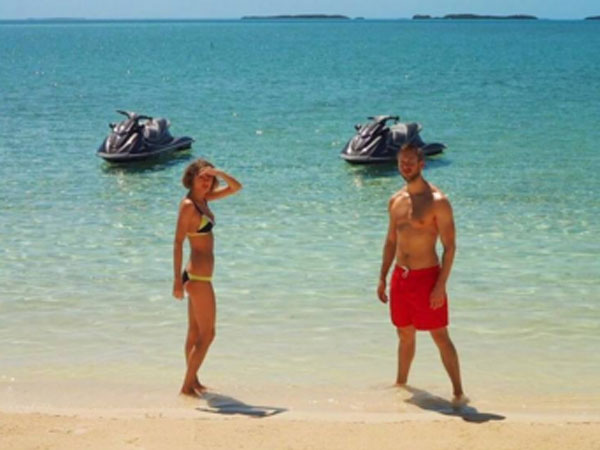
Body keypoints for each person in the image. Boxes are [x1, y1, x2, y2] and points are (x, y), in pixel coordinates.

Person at [377, 142, 468, 406]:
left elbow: (450, 247)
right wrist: (382, 276)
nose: (405, 166)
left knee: (440, 335)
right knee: (404, 334)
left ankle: (458, 393)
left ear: (421, 164)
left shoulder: (438, 202)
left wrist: (440, 285)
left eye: (410, 162)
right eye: (401, 162)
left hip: (427, 277)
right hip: (400, 277)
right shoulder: (395, 200)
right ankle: (401, 386)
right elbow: (391, 241)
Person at [172, 159, 242, 397]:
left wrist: (218, 172)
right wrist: (176, 281)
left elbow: (236, 187)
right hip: (197, 278)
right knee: (208, 334)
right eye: (201, 177)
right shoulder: (189, 205)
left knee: (194, 332)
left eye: (209, 178)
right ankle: (186, 386)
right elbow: (178, 242)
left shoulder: (204, 200)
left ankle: (193, 382)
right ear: (190, 178)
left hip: (199, 276)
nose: (206, 182)